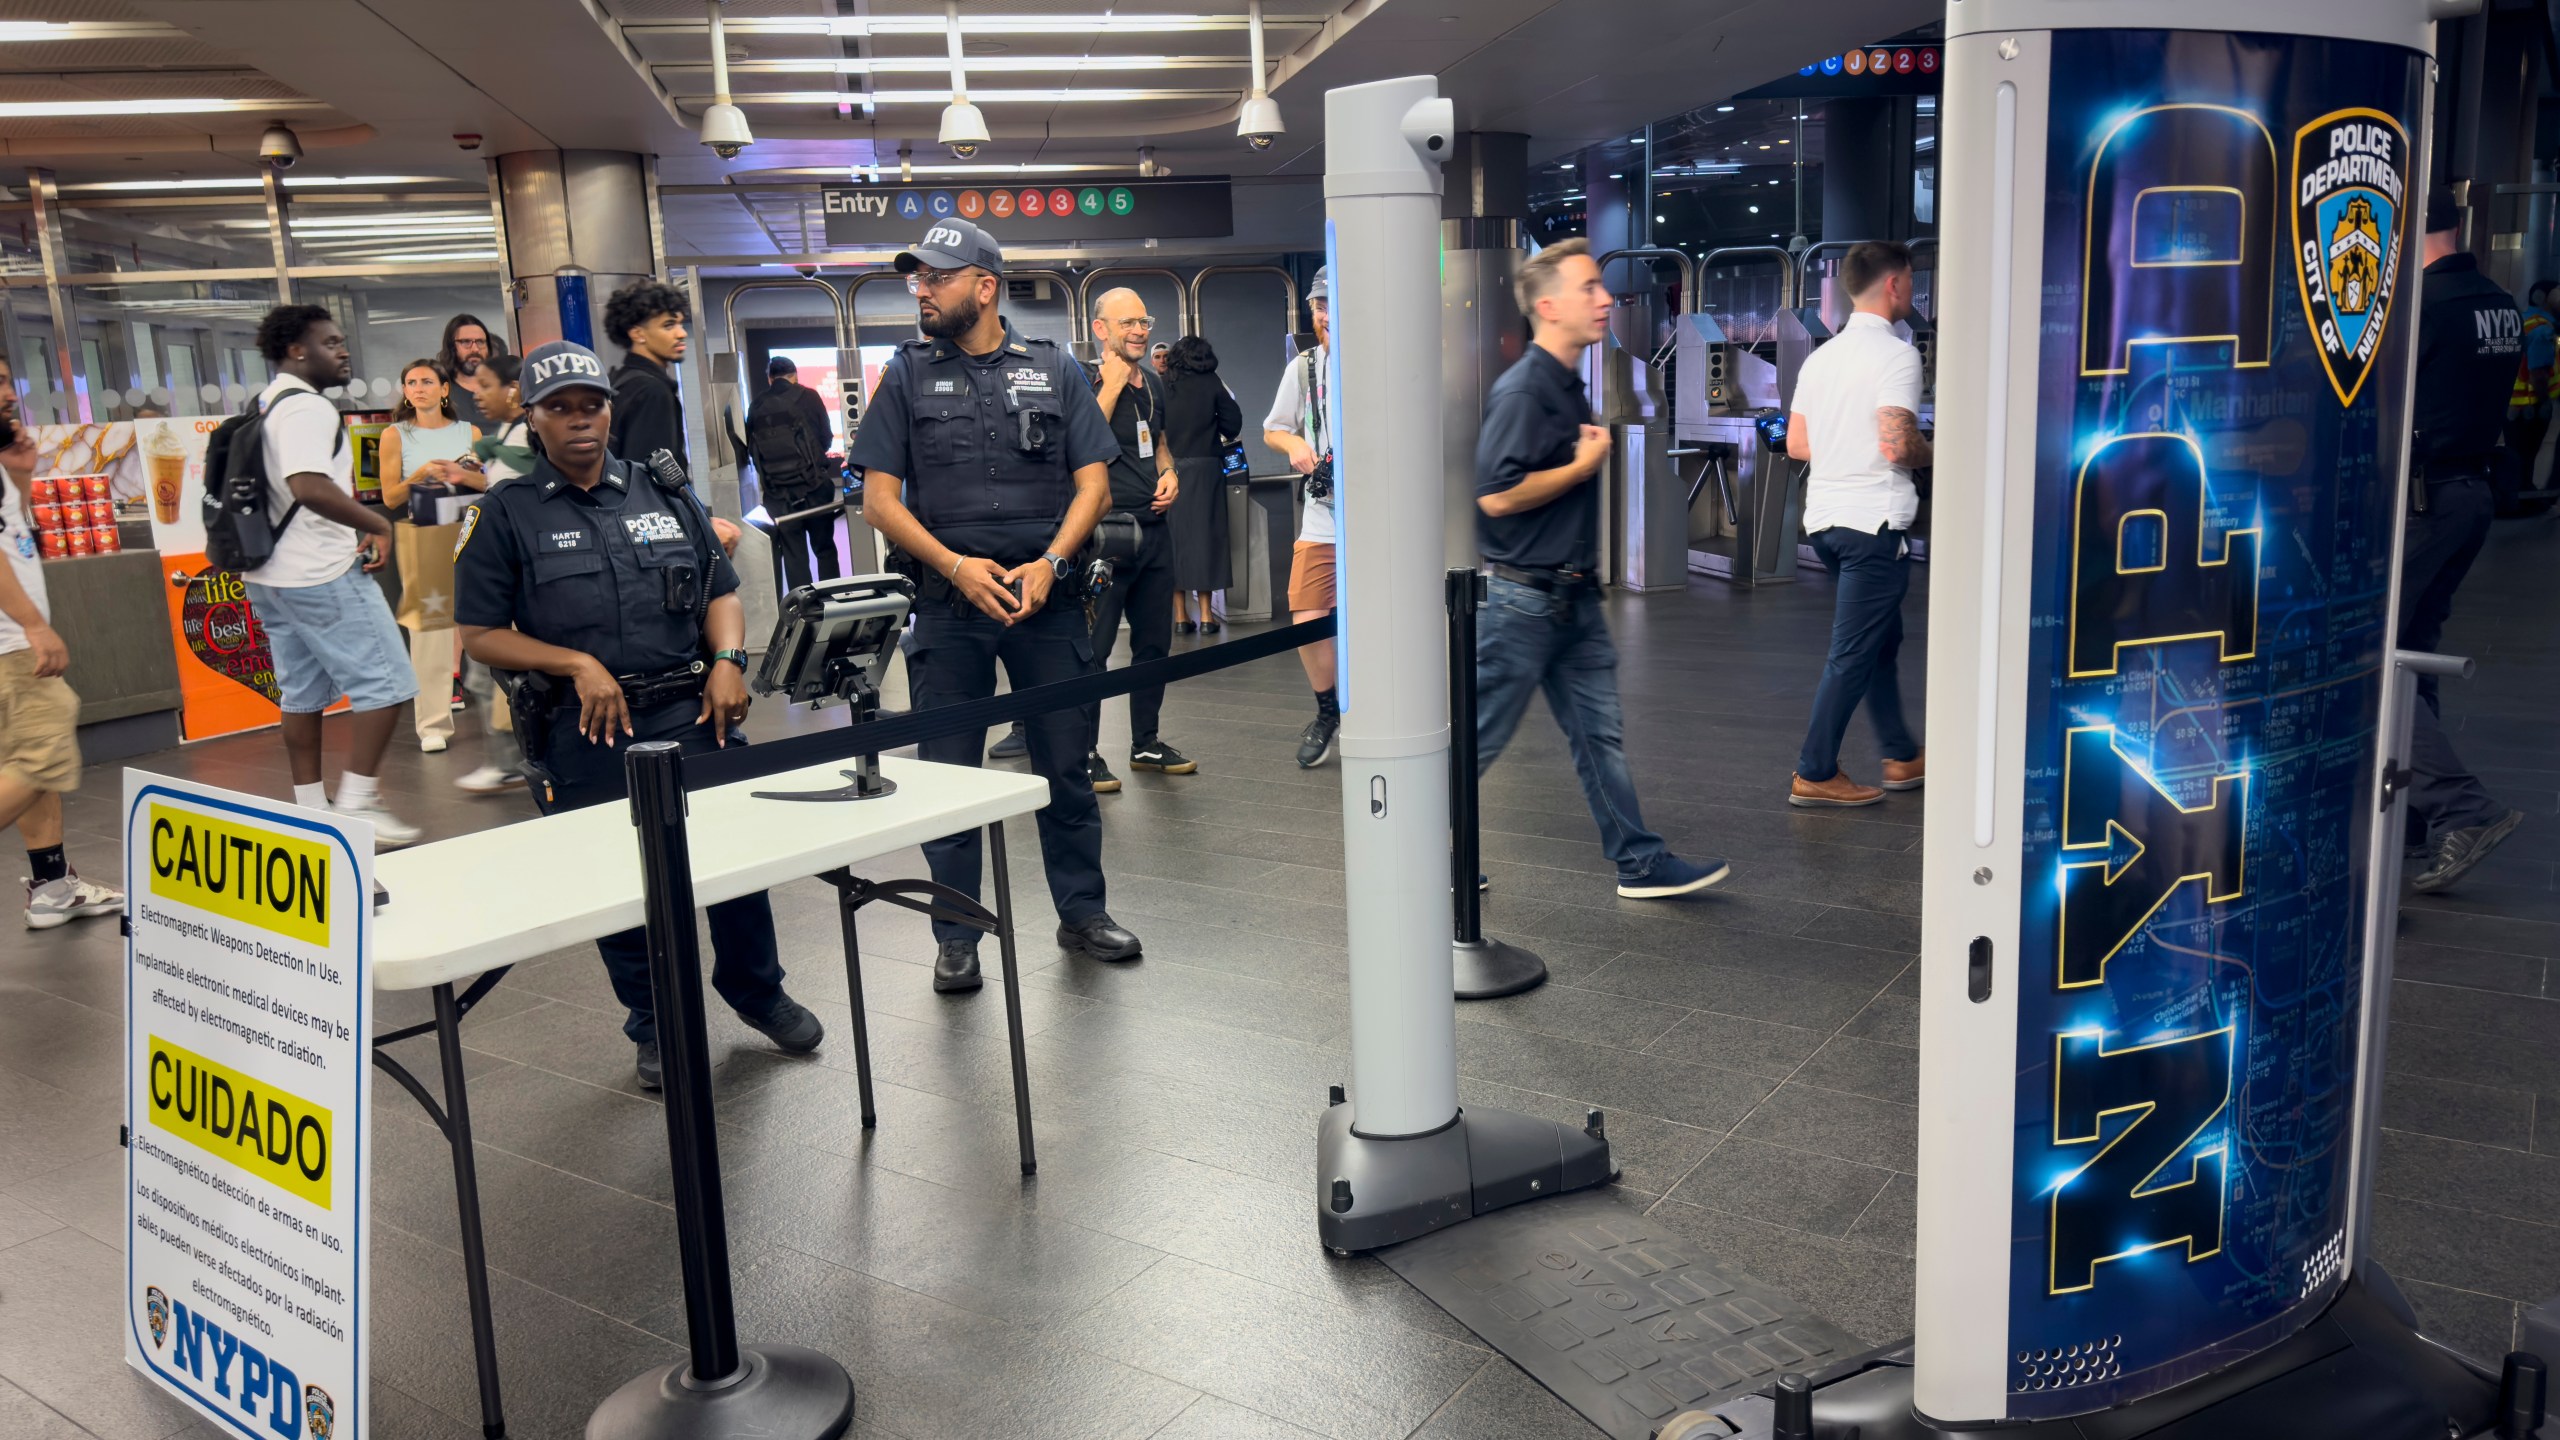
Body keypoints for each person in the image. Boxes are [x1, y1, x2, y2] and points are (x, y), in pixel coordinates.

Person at [455, 341, 822, 1089]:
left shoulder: (664, 492)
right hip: (583, 729)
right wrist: (576, 664)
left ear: (610, 411)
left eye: (590, 405)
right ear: (532, 418)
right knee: (622, 888)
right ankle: (654, 1022)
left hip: (693, 711)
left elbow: (720, 590)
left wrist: (728, 661)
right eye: (559, 409)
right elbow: (477, 630)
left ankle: (756, 990)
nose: (578, 421)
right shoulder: (506, 514)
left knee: (735, 864)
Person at [847, 217, 1141, 995]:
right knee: (948, 780)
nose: (922, 289)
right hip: (949, 606)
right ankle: (957, 933)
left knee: (1064, 770)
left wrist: (1050, 563)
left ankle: (1082, 913)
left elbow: (1094, 486)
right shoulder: (905, 374)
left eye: (936, 278)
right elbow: (878, 498)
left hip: (1046, 603)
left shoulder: (1054, 369)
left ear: (984, 286)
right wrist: (952, 562)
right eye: (917, 279)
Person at [1471, 239, 1728, 900]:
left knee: (1600, 738)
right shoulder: (1525, 388)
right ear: (1549, 306)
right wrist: (1582, 468)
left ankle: (1639, 861)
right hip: (1524, 602)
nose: (1605, 298)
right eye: (1589, 288)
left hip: (1573, 602)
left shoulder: (1564, 383)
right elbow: (1496, 494)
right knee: (1479, 741)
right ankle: (1412, 852)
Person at [244, 305, 422, 846]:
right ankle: (357, 803)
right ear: (298, 350)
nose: (343, 350)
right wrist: (376, 524)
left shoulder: (265, 402)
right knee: (389, 685)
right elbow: (308, 486)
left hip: (270, 574)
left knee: (300, 695)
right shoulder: (308, 408)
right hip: (318, 573)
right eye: (331, 341)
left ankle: (309, 810)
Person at [2401, 189, 2526, 891]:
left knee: (2372, 659)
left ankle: (2459, 809)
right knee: (2413, 655)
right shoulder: (2497, 303)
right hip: (2472, 493)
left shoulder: (2424, 306)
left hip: (2426, 500)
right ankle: (2416, 820)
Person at [1782, 241, 1928, 808]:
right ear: (1893, 285)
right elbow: (1897, 444)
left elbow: (1797, 443)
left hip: (1826, 524)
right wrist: (1941, 451)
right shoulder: (1897, 355)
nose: (1912, 290)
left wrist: (1844, 450)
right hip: (1874, 524)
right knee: (1853, 651)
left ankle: (1901, 755)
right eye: (1911, 280)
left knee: (1880, 642)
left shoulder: (1822, 357)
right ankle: (1814, 771)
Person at [0, 407, 125, 929]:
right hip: (10, 643)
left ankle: (52, 885)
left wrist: (21, 474)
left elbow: (11, 536)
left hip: (12, 641)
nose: (9, 394)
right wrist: (32, 625)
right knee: (44, 753)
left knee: (28, 757)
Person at [1077, 287, 1195, 791]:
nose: (1139, 331)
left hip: (1155, 530)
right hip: (1105, 535)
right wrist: (1110, 384)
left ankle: (1145, 742)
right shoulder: (1082, 380)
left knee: (1154, 646)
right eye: (1127, 323)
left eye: (1143, 322)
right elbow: (1080, 442)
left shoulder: (1154, 383)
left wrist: (1170, 474)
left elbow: (1160, 443)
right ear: (1101, 328)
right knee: (1094, 651)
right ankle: (1083, 753)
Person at [376, 359, 483, 754]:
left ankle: (508, 716)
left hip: (471, 529)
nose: (418, 388)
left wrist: (459, 473)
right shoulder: (394, 435)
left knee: (492, 617)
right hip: (425, 534)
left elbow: (486, 480)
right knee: (431, 631)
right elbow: (389, 496)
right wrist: (420, 474)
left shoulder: (468, 431)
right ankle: (433, 724)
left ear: (444, 389)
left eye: (426, 381)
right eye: (410, 382)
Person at [1262, 265, 1341, 768]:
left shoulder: (1385, 363)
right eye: (1318, 305)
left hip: (1380, 525)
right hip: (1322, 519)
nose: (1325, 314)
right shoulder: (1305, 367)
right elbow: (1273, 429)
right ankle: (1327, 709)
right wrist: (1293, 442)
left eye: (1333, 303)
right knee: (1307, 613)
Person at [453, 356, 534, 796]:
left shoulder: (525, 435)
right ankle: (507, 761)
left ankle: (512, 761)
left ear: (514, 389)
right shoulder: (505, 434)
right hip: (504, 569)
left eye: (485, 385)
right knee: (486, 673)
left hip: (520, 573)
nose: (477, 394)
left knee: (494, 672)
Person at [1161, 334, 1240, 635]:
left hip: (1169, 468)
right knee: (1207, 539)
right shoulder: (1212, 383)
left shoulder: (1163, 383)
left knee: (1173, 540)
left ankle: (1180, 617)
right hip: (1206, 468)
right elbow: (1233, 424)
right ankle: (1207, 616)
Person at [744, 354, 841, 593]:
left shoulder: (756, 406)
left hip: (779, 495)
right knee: (824, 547)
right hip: (814, 488)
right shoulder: (809, 396)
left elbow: (752, 449)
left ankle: (803, 608)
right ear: (794, 375)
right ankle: (834, 598)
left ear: (770, 379)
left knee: (793, 553)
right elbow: (826, 439)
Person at [605, 280, 691, 467]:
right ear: (638, 334)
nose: (681, 333)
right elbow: (649, 477)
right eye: (668, 326)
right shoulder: (651, 391)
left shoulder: (621, 382)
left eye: (680, 324)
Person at [438, 314, 507, 431]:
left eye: (480, 342)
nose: (475, 349)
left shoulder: (507, 386)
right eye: (466, 342)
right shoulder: (439, 391)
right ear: (451, 347)